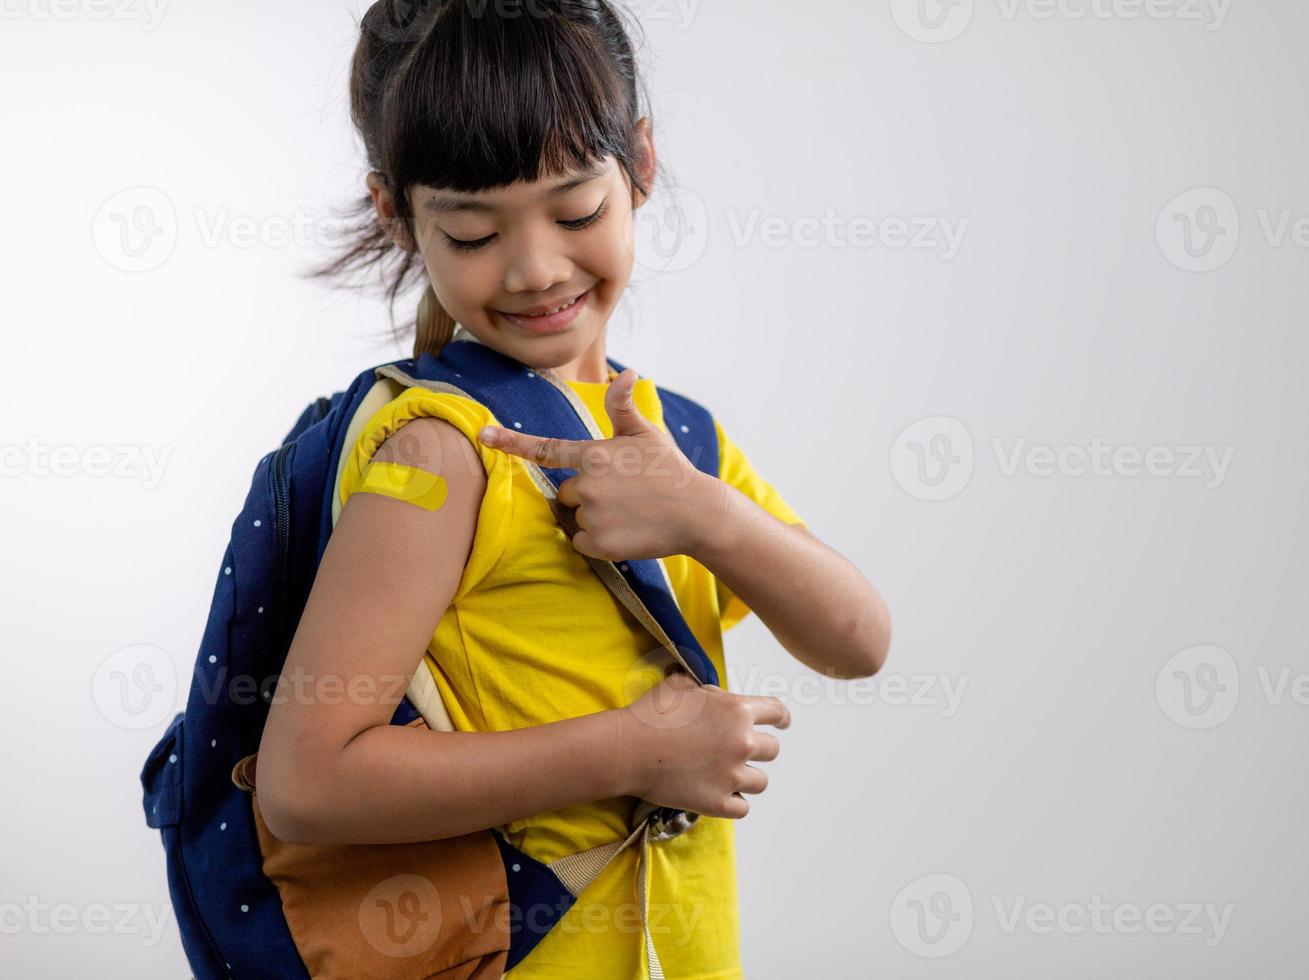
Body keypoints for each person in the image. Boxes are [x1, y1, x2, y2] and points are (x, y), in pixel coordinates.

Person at [253, 2, 891, 976]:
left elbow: (859, 639)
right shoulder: (440, 452)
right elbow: (307, 779)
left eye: (576, 209)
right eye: (471, 231)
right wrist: (634, 753)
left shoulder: (675, 435)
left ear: (638, 162)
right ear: (399, 213)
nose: (535, 265)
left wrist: (706, 512)